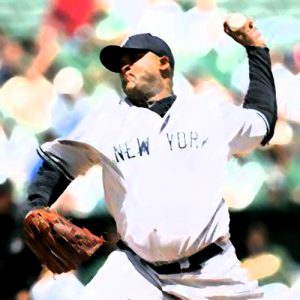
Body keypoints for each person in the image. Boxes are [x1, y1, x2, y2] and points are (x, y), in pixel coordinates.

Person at [20, 14, 277, 299]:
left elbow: (261, 120)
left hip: (212, 271)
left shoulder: (208, 113)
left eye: (133, 57)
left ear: (163, 64)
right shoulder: (107, 120)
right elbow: (59, 164)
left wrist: (256, 49)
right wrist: (35, 205)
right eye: (120, 62)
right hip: (137, 270)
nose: (124, 65)